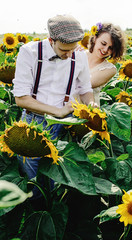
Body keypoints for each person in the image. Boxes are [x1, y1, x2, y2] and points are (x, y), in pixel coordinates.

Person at [12, 14, 96, 197]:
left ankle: (51, 208)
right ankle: (33, 213)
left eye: (73, 49)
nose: (69, 55)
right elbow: (21, 99)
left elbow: (85, 88)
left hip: (62, 125)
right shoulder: (30, 52)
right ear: (51, 40)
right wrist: (57, 111)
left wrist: (91, 104)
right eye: (64, 50)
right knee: (31, 178)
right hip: (31, 124)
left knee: (54, 179)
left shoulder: (79, 56)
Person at [79, 22, 125, 106]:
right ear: (95, 38)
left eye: (110, 48)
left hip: (88, 111)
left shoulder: (110, 69)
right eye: (103, 44)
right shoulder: (79, 54)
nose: (105, 50)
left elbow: (83, 85)